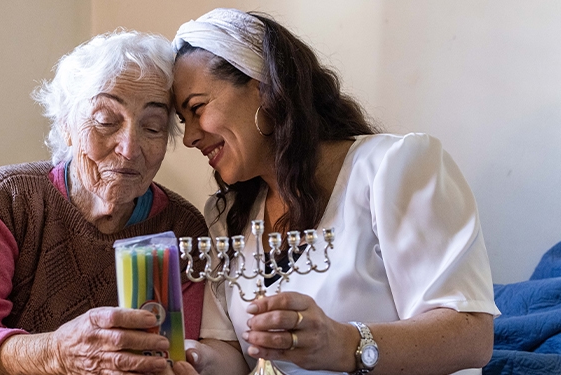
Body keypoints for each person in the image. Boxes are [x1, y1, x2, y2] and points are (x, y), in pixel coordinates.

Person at [171, 8, 500, 375]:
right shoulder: (225, 214)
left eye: (198, 108)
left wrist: (344, 344)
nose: (189, 137)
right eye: (183, 121)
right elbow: (234, 354)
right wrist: (193, 361)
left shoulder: (394, 168)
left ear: (263, 88)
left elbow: (471, 336)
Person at [0, 30, 208, 375]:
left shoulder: (184, 231)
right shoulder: (8, 200)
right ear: (67, 126)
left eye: (152, 127)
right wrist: (56, 353)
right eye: (106, 121)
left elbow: (181, 352)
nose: (129, 149)